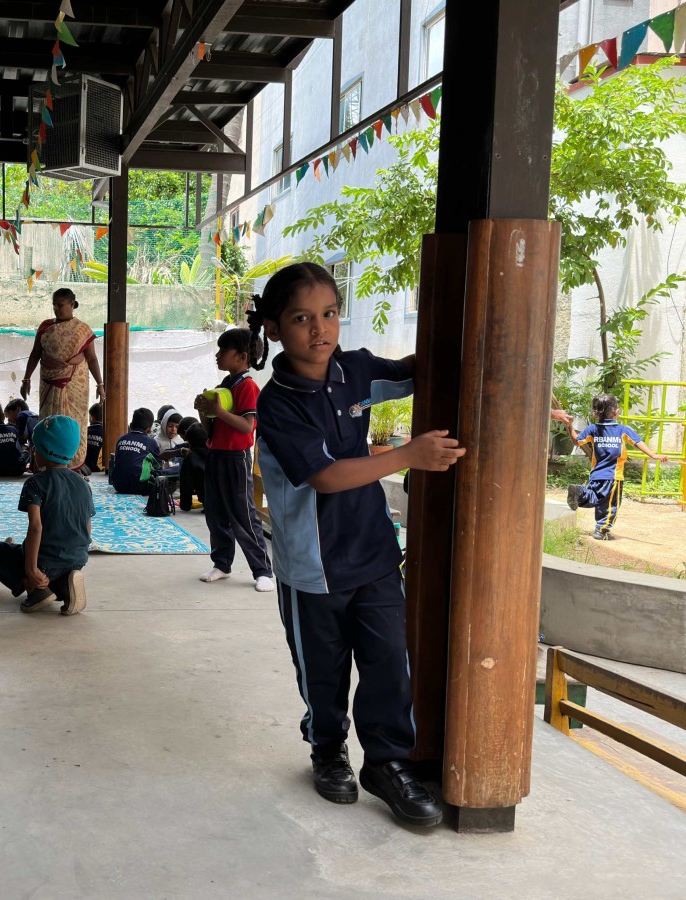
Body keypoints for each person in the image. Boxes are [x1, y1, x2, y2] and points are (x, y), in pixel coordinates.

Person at [248, 262, 466, 829]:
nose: (319, 329)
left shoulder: (356, 370)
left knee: (390, 661)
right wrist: (407, 457)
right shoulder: (277, 403)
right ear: (274, 328)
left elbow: (417, 373)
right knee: (323, 673)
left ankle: (387, 763)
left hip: (372, 554)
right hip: (311, 568)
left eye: (329, 314)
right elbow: (323, 475)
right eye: (301, 318)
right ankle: (327, 749)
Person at [0, 415, 93, 615]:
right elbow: (87, 527)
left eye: (35, 446)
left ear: (44, 450)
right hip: (77, 559)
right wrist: (77, 554)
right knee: (25, 554)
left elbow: (36, 528)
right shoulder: (83, 484)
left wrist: (32, 569)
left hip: (45, 563)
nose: (32, 450)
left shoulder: (35, 483)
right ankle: (65, 586)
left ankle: (37, 590)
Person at [192, 328, 275, 593]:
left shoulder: (248, 387)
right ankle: (222, 564)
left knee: (243, 515)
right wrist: (204, 411)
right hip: (215, 455)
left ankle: (263, 570)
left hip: (236, 459)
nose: (217, 355)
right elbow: (209, 429)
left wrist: (217, 410)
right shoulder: (224, 387)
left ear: (241, 356)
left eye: (222, 351)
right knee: (215, 514)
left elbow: (246, 426)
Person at [20, 288, 104, 469]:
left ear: (72, 305)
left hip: (74, 386)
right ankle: (47, 465)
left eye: (60, 305)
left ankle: (73, 467)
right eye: (54, 305)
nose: (56, 309)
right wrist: (26, 379)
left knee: (74, 424)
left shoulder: (82, 330)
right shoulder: (45, 327)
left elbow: (92, 359)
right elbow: (35, 354)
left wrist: (100, 384)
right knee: (49, 424)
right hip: (49, 384)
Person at [566, 393, 667, 540]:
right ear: (616, 412)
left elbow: (576, 441)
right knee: (610, 505)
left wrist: (570, 426)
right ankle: (602, 530)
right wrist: (653, 455)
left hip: (596, 475)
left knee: (595, 497)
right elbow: (638, 442)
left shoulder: (593, 429)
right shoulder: (622, 430)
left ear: (596, 412)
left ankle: (580, 492)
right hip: (614, 477)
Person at [109, 408, 161, 495]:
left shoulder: (121, 439)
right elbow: (158, 466)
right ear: (149, 429)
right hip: (140, 487)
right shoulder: (151, 442)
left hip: (118, 485)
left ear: (131, 424)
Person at [177, 416, 208, 511]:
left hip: (207, 501)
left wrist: (185, 505)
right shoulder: (217, 453)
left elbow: (186, 484)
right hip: (225, 501)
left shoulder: (190, 458)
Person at [86, 402, 105, 473]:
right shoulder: (107, 434)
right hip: (99, 469)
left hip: (85, 467)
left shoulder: (85, 431)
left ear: (92, 418)